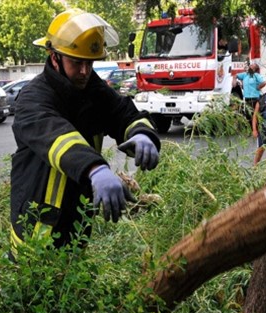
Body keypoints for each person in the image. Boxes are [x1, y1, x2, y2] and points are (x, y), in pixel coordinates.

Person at [9, 9, 161, 254]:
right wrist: (96, 168)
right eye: (76, 62)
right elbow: (58, 137)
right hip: (35, 228)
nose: (84, 72)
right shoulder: (32, 98)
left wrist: (142, 133)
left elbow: (124, 113)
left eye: (89, 63)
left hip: (77, 222)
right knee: (35, 290)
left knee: (74, 284)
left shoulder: (92, 88)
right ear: (54, 57)